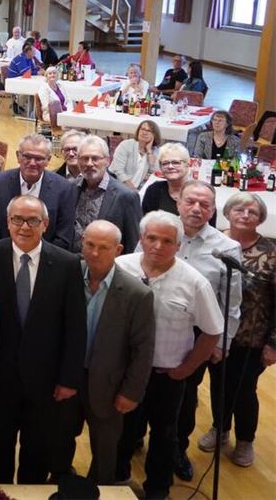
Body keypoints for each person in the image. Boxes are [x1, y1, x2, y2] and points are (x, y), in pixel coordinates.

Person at [0, 195, 86, 484]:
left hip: (45, 381)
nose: (24, 226)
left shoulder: (67, 264)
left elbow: (75, 327)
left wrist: (69, 379)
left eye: (33, 220)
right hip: (0, 377)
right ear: (7, 222)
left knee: (37, 452)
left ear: (45, 224)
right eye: (17, 219)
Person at [114, 211, 223, 499]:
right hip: (124, 373)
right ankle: (117, 480)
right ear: (141, 239)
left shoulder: (195, 282)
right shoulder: (119, 267)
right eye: (151, 238)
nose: (158, 246)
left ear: (178, 245)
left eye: (167, 240)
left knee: (163, 435)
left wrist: (185, 370)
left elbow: (212, 331)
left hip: (167, 375)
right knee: (122, 432)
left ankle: (157, 490)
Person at [54, 220, 155, 485]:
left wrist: (131, 393)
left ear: (118, 249)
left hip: (110, 388)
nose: (94, 253)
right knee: (60, 438)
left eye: (104, 247)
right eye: (89, 244)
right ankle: (61, 482)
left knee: (105, 449)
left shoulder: (137, 294)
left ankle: (99, 489)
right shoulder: (67, 276)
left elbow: (143, 350)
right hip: (68, 379)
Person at [172, 181, 243, 482]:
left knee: (185, 398)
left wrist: (222, 343)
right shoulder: (159, 230)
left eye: (204, 204)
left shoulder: (227, 248)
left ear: (214, 210)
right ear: (178, 203)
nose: (197, 209)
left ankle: (176, 448)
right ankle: (136, 439)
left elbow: (232, 302)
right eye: (190, 202)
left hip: (196, 336)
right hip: (152, 328)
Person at [206, 193, 276, 467]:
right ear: (227, 212)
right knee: (218, 383)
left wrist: (273, 344)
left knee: (244, 389)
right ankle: (219, 429)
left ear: (260, 218)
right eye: (239, 208)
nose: (245, 214)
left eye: (252, 211)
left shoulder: (271, 252)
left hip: (252, 336)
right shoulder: (214, 242)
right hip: (216, 331)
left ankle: (245, 439)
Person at [0, 134, 78, 250]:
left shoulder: (65, 189)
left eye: (39, 158)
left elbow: (63, 236)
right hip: (3, 259)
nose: (32, 163)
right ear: (18, 156)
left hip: (46, 263)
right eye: (27, 156)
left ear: (48, 160)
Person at [73, 135, 142, 253]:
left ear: (107, 161)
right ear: (78, 161)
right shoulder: (71, 188)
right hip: (72, 263)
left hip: (106, 266)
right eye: (84, 158)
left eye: (95, 158)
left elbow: (132, 243)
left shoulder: (126, 196)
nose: (89, 164)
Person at [141, 143, 205, 220]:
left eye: (176, 162)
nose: (170, 166)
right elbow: (145, 223)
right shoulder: (154, 190)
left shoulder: (201, 192)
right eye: (165, 163)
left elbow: (209, 229)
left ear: (188, 164)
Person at [109, 119, 161, 191]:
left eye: (149, 131)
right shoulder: (126, 145)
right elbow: (118, 171)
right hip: (118, 186)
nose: (144, 133)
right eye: (142, 129)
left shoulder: (155, 151)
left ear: (154, 135)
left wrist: (149, 151)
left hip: (137, 189)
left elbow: (156, 174)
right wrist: (133, 191)